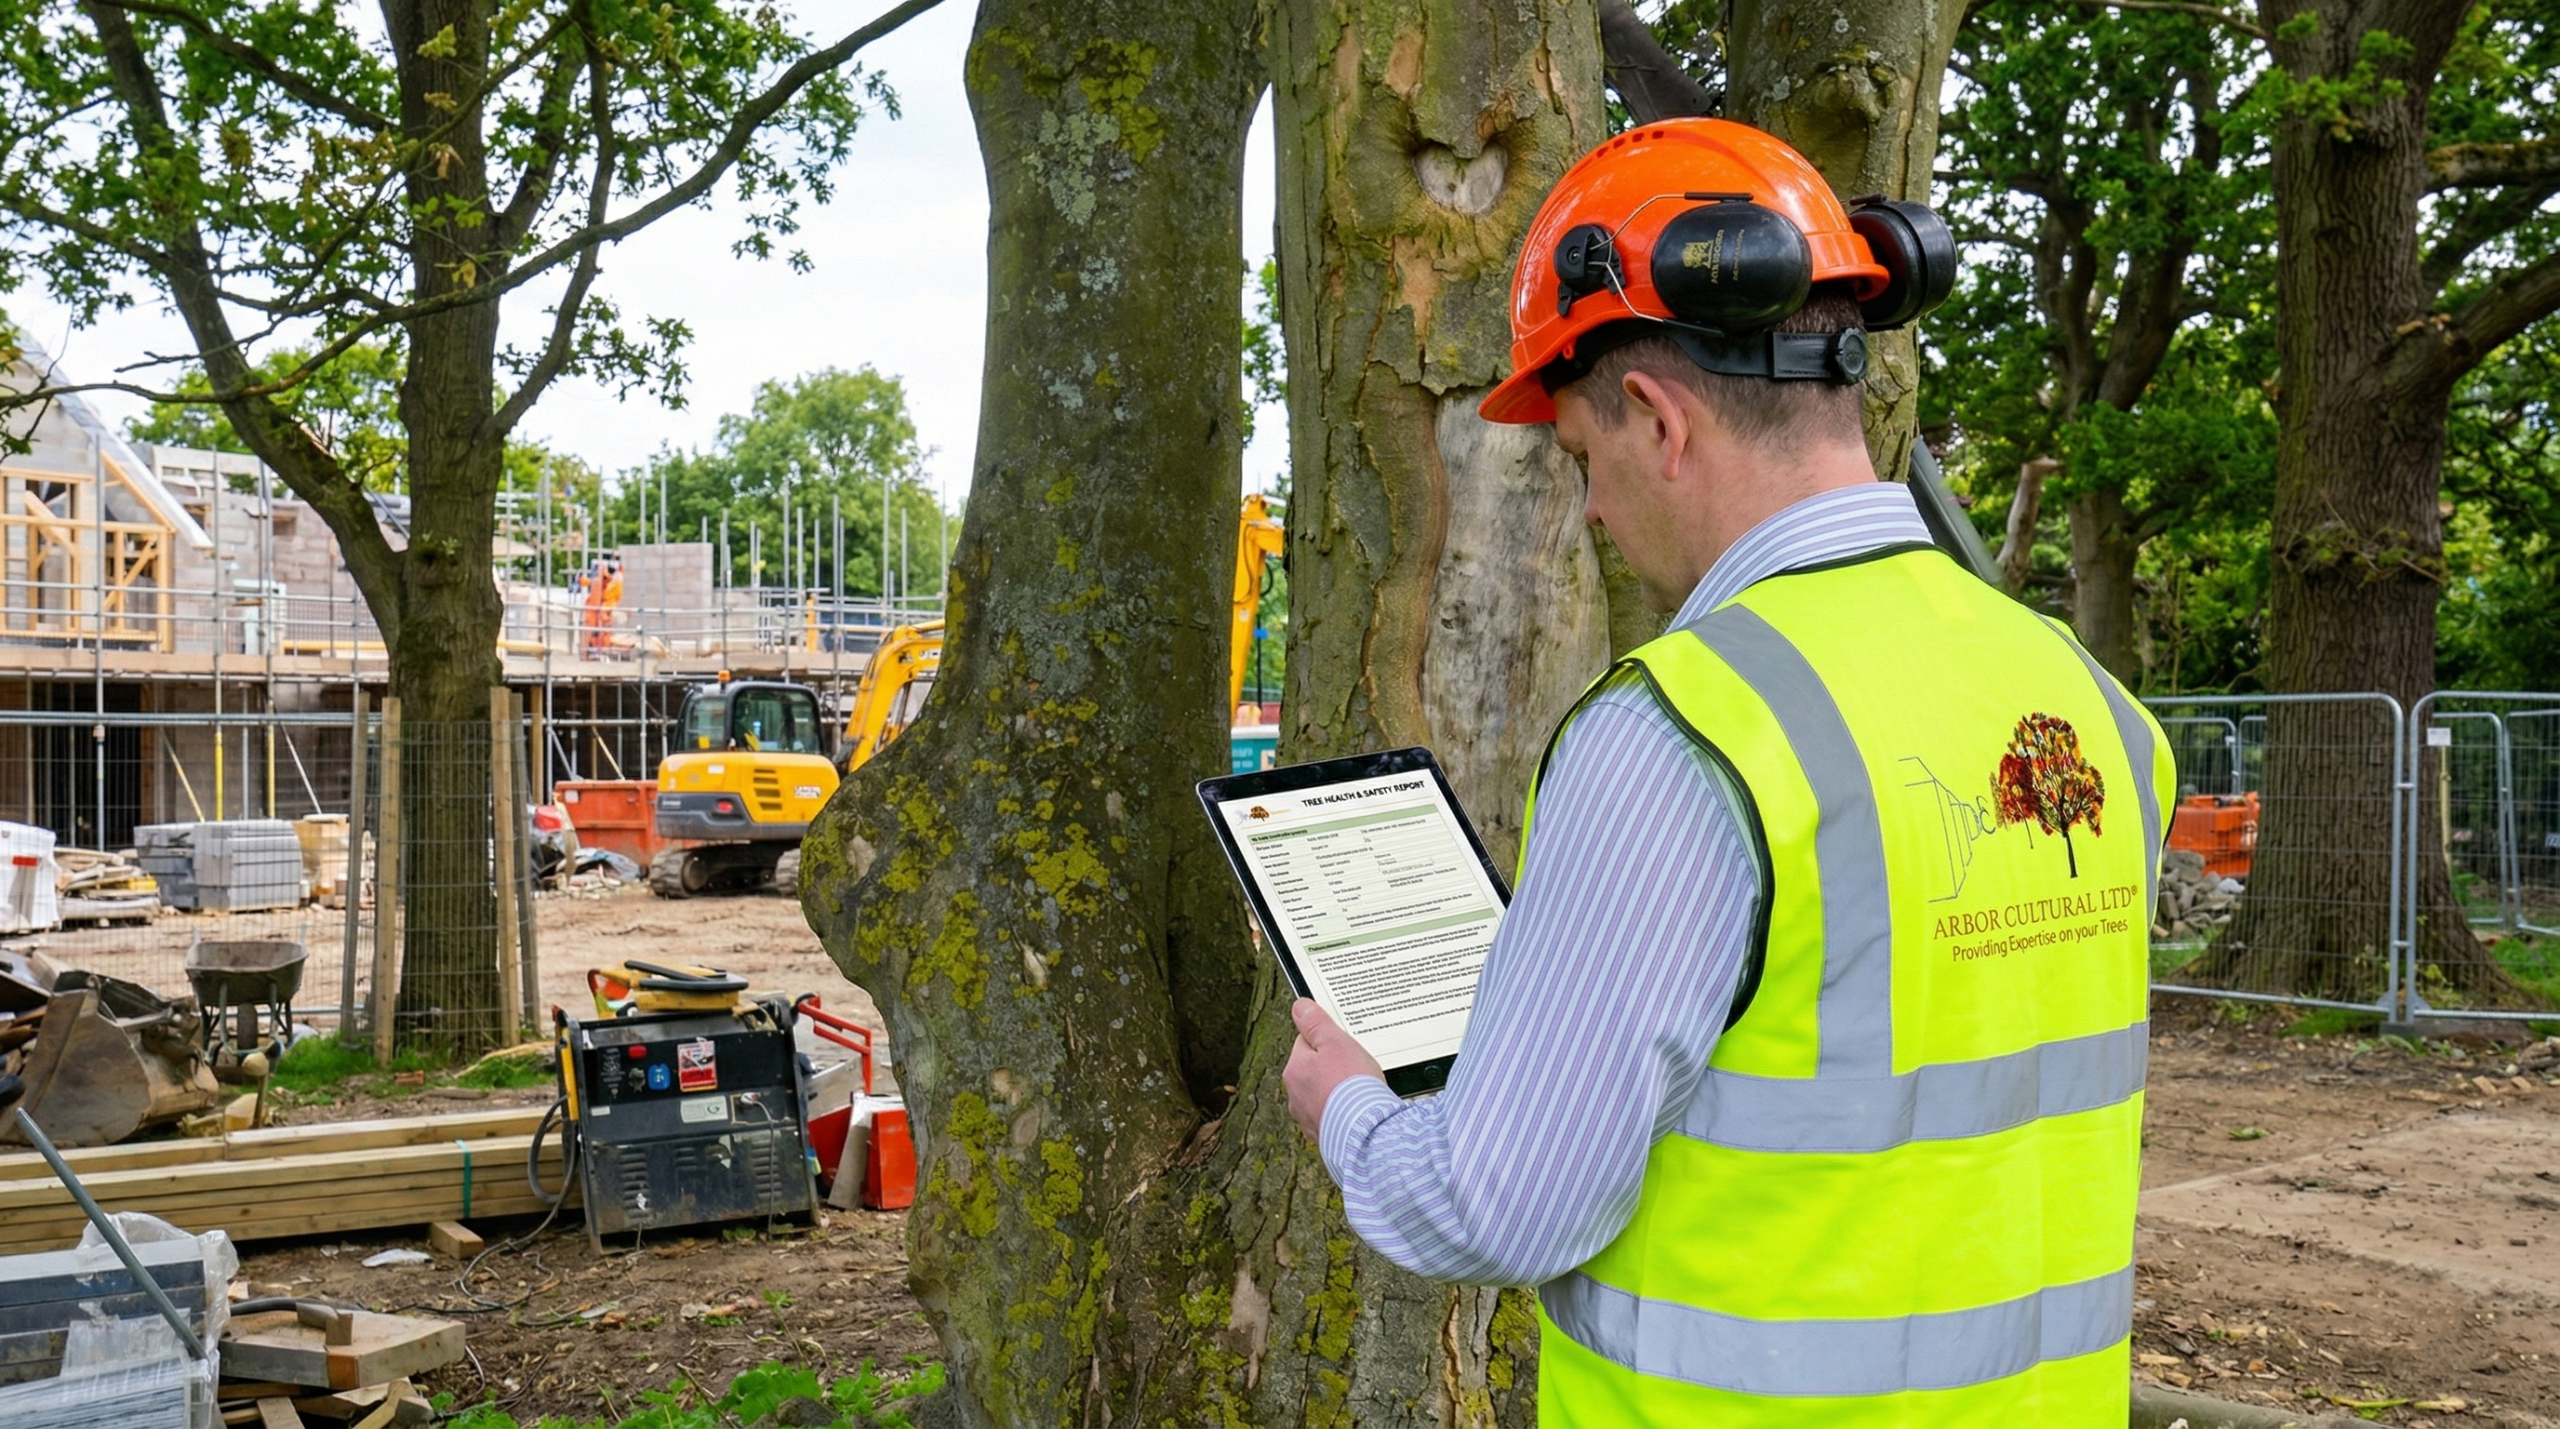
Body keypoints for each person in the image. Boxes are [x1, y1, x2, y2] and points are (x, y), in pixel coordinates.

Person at [1281, 118, 2174, 1426]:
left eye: (1583, 458)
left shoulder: (1682, 732)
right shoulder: (2085, 699)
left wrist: (1348, 1109)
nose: (1590, 509)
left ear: (1656, 417)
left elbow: (1498, 1205)